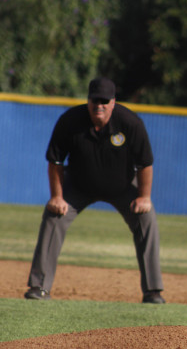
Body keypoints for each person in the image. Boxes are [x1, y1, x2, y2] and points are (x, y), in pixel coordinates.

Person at [25, 77, 165, 304]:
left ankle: (153, 291)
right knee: (54, 215)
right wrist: (57, 197)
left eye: (104, 101)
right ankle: (39, 287)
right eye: (94, 100)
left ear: (113, 102)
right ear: (88, 100)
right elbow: (55, 162)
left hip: (122, 186)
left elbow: (145, 163)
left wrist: (144, 197)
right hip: (78, 186)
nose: (99, 105)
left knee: (146, 218)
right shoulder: (70, 121)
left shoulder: (130, 123)